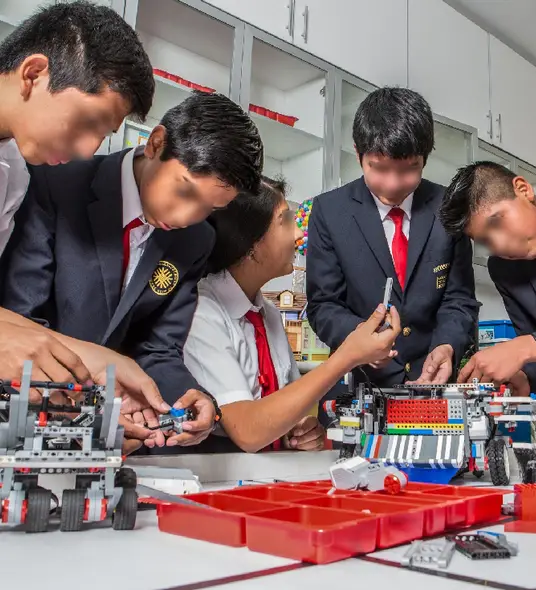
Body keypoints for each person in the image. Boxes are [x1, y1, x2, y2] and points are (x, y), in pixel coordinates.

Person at [1, 90, 264, 451]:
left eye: (210, 208)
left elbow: (158, 349)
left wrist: (192, 399)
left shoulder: (195, 240)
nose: (187, 217)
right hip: (22, 410)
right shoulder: (56, 182)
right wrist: (93, 403)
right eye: (185, 192)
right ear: (156, 143)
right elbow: (19, 321)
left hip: (104, 429)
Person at [0, 1, 188, 450]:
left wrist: (97, 364)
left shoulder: (16, 169)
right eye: (88, 123)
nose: (87, 151)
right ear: (34, 74)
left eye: (102, 135)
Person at [184, 177, 401, 453]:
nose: (298, 234)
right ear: (251, 244)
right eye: (285, 221)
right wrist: (347, 356)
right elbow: (248, 431)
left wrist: (299, 429)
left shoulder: (268, 314)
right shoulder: (201, 313)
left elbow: (287, 407)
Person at [306, 87, 478, 407]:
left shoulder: (448, 207)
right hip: (359, 387)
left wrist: (447, 345)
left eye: (409, 169)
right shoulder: (330, 211)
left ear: (425, 157)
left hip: (432, 387)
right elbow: (323, 305)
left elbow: (459, 299)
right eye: (379, 168)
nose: (393, 184)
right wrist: (362, 339)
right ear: (358, 153)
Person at [437, 161, 536, 446]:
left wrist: (524, 348)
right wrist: (522, 375)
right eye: (485, 240)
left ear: (523, 190)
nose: (499, 245)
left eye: (496, 222)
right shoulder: (504, 269)